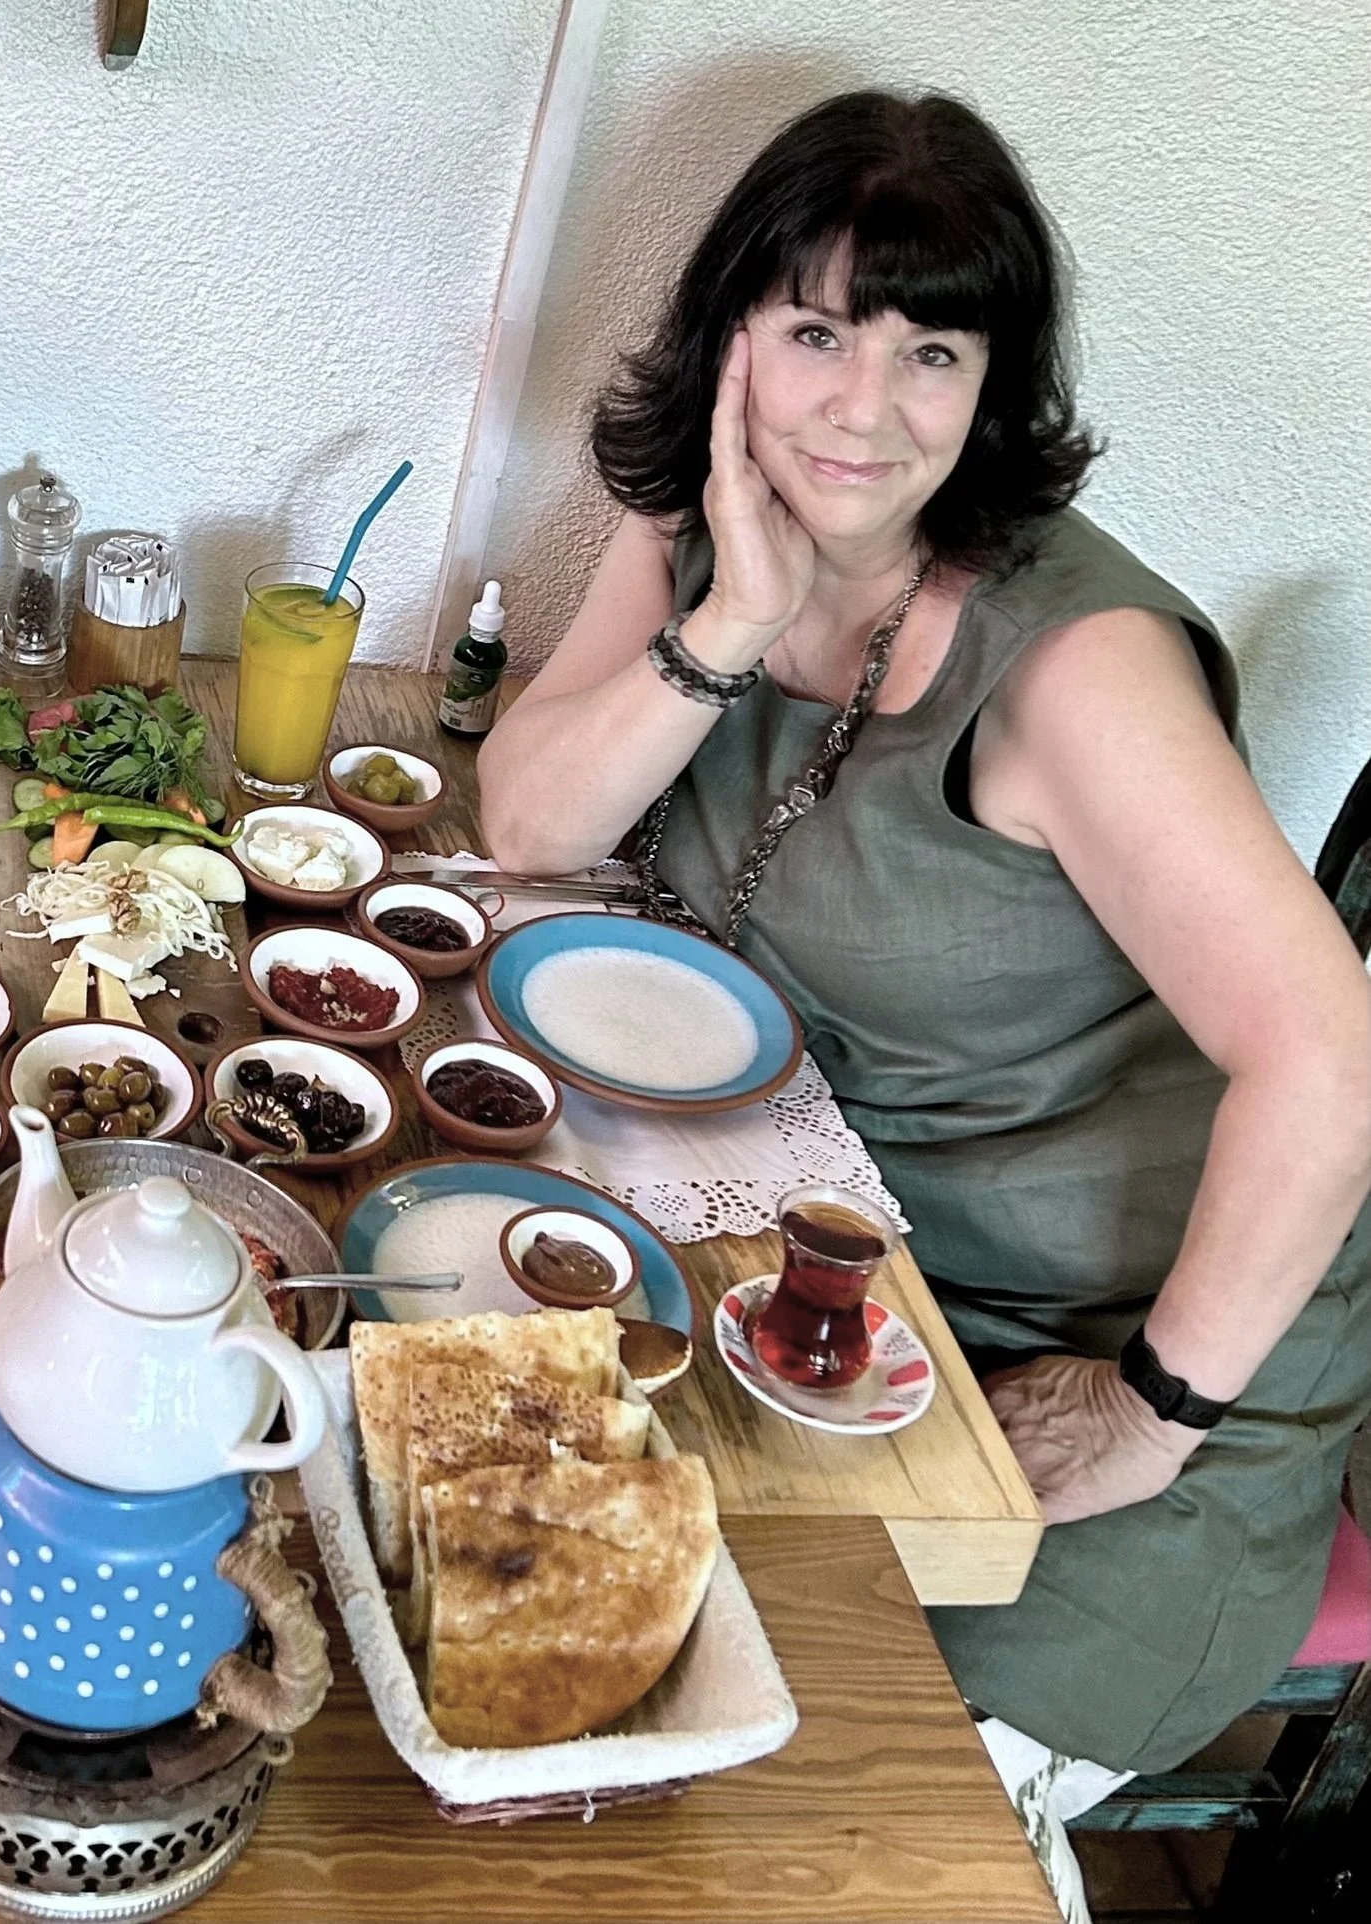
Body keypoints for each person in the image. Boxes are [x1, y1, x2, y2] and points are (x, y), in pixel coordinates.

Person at [481, 91, 1371, 1785]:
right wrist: (733, 616)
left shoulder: (1070, 666)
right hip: (834, 1269)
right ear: (733, 332)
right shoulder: (707, 527)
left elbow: (1332, 1062)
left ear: (994, 383)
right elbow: (528, 826)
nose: (863, 414)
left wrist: (1153, 1408)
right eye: (815, 331)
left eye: (931, 355)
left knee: (798, 1787)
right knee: (539, 1604)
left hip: (1125, 1360)